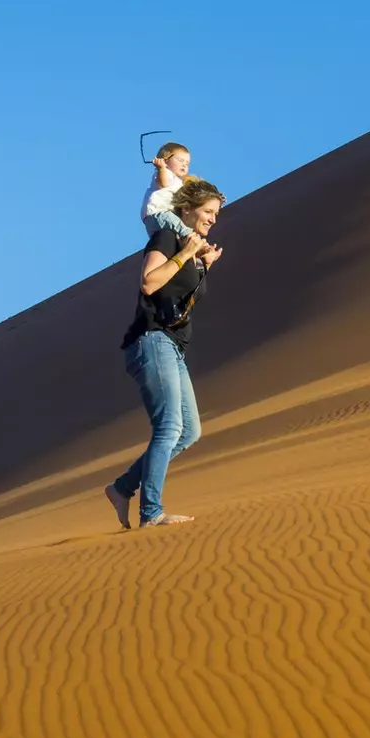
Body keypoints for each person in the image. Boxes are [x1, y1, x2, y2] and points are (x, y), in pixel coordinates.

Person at [105, 177, 226, 529]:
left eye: (216, 214)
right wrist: (186, 254)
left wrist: (203, 265)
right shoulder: (166, 238)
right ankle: (151, 512)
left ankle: (122, 488)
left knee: (189, 432)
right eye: (208, 212)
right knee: (169, 426)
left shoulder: (190, 249)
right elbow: (149, 283)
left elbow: (179, 296)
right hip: (152, 340)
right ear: (186, 209)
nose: (213, 219)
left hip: (173, 345)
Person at [141, 140, 193, 236]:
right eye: (180, 160)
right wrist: (161, 168)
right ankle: (191, 238)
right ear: (165, 160)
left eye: (187, 163)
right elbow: (163, 183)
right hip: (159, 214)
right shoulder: (166, 173)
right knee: (184, 230)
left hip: (160, 220)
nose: (184, 165)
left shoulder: (178, 182)